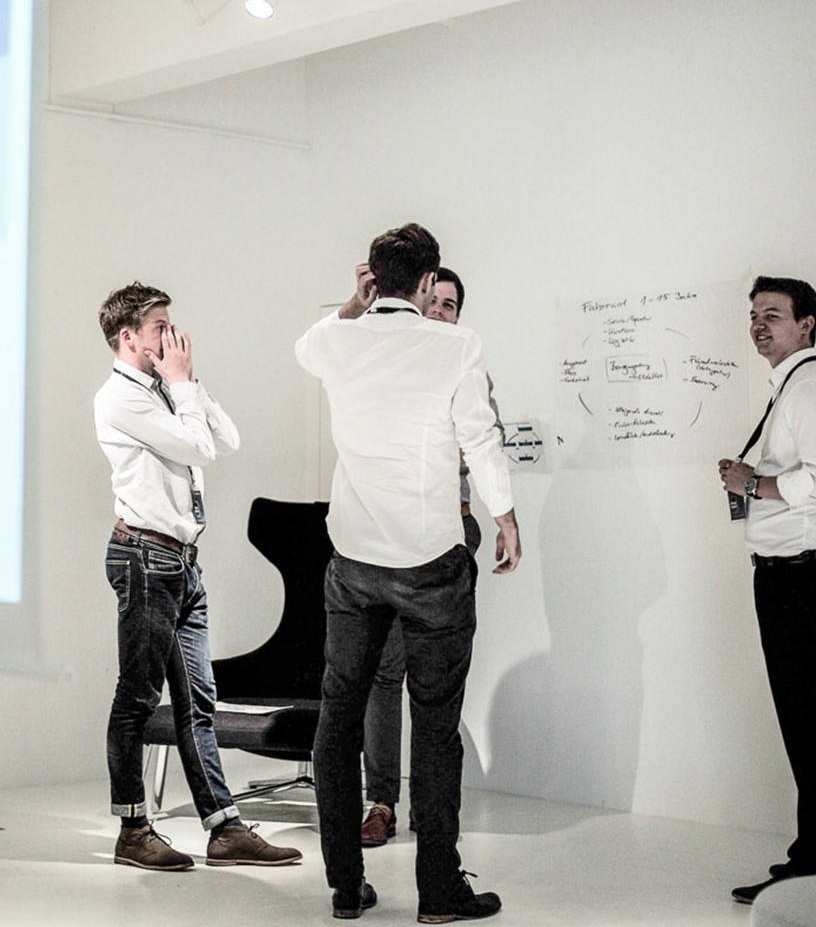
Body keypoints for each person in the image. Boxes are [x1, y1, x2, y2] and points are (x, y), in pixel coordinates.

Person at [296, 227, 521, 922]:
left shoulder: (340, 340)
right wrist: (506, 516)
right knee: (435, 726)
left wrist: (351, 304)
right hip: (430, 563)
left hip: (355, 563)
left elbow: (306, 347)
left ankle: (345, 888)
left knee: (339, 722)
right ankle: (438, 893)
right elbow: (480, 437)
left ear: (374, 277)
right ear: (428, 284)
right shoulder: (456, 344)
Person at [94, 282, 301, 871]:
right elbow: (198, 449)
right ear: (128, 336)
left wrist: (189, 383)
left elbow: (226, 439)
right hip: (145, 558)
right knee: (137, 697)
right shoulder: (119, 398)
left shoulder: (167, 389)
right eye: (159, 326)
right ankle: (133, 829)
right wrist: (183, 387)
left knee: (199, 701)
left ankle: (224, 828)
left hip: (181, 562)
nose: (172, 335)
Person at [714, 276, 816, 904]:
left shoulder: (811, 390)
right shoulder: (791, 388)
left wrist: (752, 484)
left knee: (811, 724)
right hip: (789, 573)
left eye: (773, 314)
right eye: (754, 314)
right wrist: (752, 480)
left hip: (801, 574)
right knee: (806, 723)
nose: (758, 325)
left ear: (807, 324)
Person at [358, 266, 498, 849]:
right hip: (387, 535)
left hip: (449, 531)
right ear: (416, 301)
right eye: (433, 301)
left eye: (450, 305)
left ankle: (432, 809)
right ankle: (381, 802)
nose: (439, 311)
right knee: (384, 673)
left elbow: (479, 446)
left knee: (435, 680)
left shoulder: (466, 365)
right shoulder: (390, 363)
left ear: (459, 316)